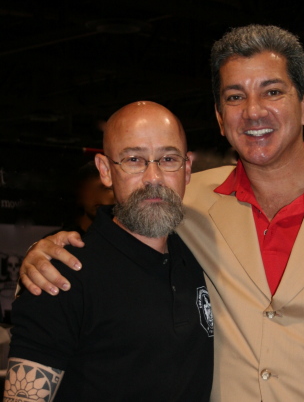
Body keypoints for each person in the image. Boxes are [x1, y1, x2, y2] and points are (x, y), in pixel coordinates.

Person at [18, 25, 304, 401]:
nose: (254, 111)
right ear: (220, 118)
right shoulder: (184, 199)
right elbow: (118, 236)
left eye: (273, 91)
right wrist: (44, 253)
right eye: (234, 96)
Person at [4, 101, 213, 401]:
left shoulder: (199, 254)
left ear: (187, 168)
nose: (153, 177)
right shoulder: (59, 275)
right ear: (105, 170)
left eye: (168, 159)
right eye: (133, 159)